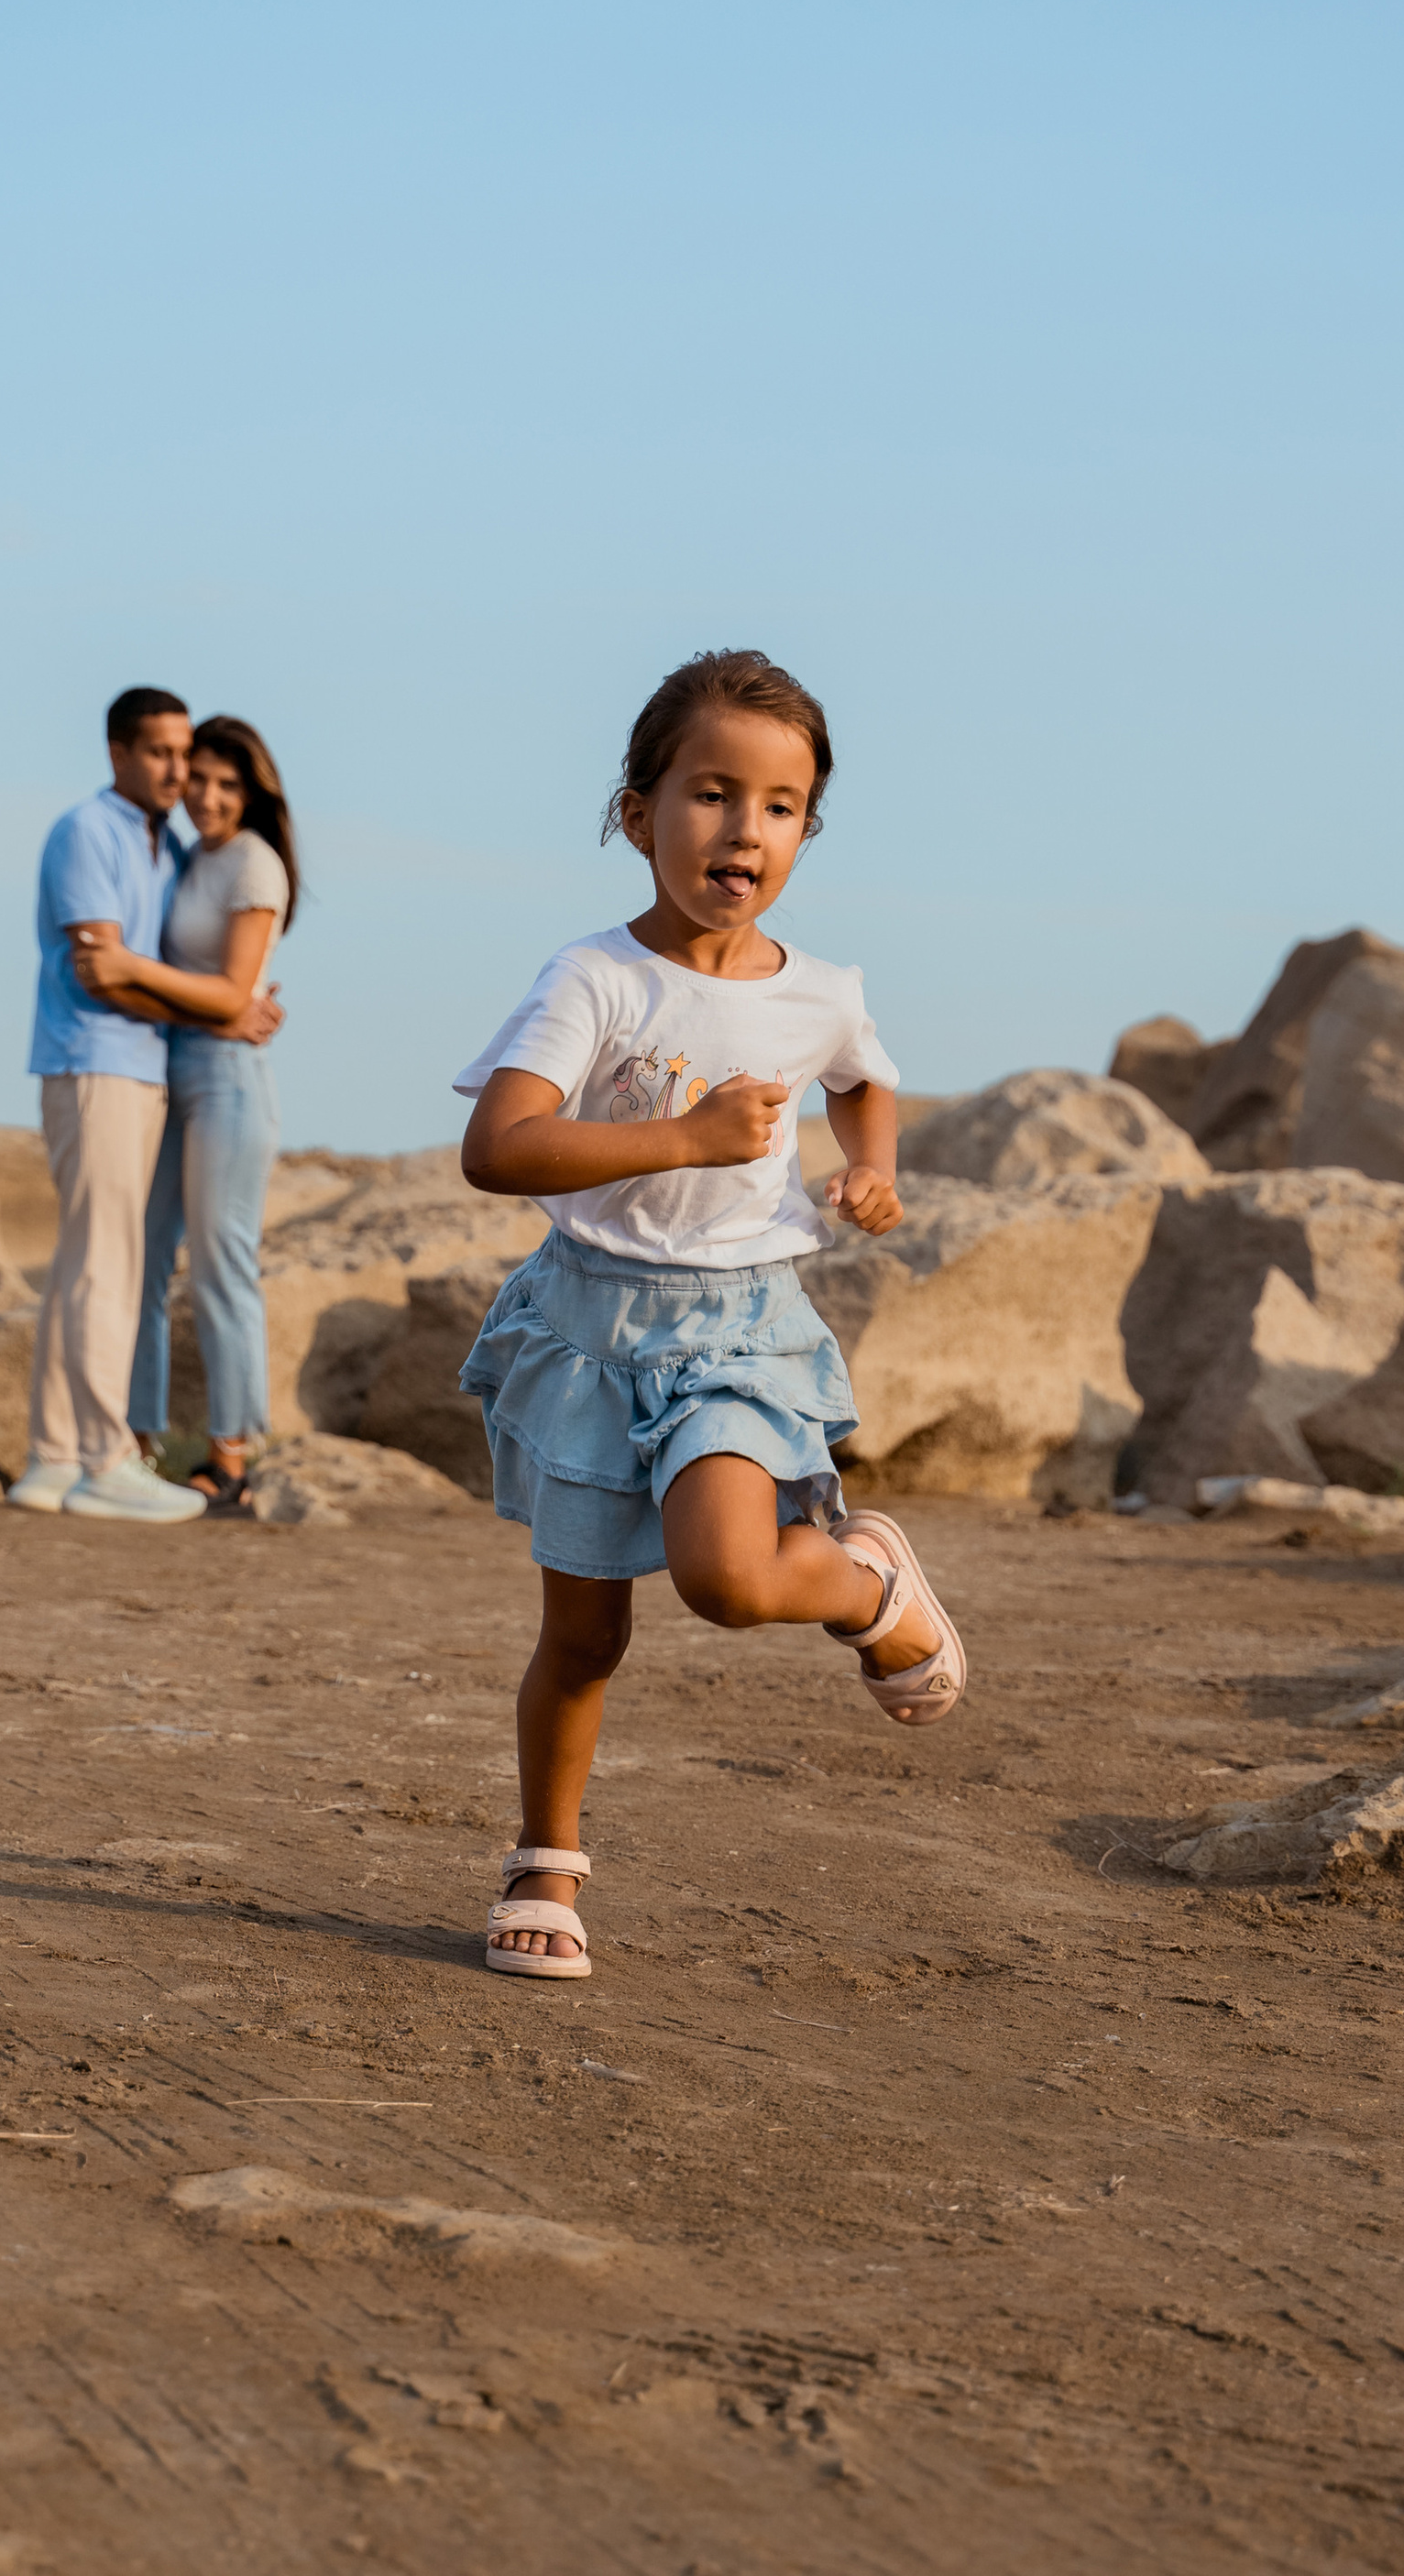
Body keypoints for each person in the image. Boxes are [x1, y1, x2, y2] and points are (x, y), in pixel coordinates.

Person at [452, 646, 965, 1983]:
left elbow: (862, 1077)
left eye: (781, 805)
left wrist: (873, 1167)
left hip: (738, 1330)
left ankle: (868, 1584)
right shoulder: (595, 982)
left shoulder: (820, 990)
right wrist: (680, 1135)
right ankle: (544, 1864)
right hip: (590, 1327)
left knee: (729, 1581)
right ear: (639, 814)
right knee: (583, 1633)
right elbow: (501, 1148)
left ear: (804, 829)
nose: (744, 828)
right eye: (710, 792)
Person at [10, 686, 279, 1524]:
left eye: (183, 754)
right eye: (161, 755)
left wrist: (216, 1003)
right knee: (109, 1265)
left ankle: (53, 1458)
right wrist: (223, 1008)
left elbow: (132, 969)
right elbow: (99, 970)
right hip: (97, 1063)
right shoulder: (89, 830)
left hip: (143, 1071)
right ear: (119, 754)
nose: (177, 772)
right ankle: (104, 1457)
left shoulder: (165, 847)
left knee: (92, 1261)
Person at [74, 716, 300, 1512]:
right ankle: (134, 1440)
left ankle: (231, 1457)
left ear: (253, 793)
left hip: (230, 1084)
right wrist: (214, 1008)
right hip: (166, 1072)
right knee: (142, 1256)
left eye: (227, 783)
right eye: (197, 776)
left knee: (219, 1264)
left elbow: (233, 990)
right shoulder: (181, 856)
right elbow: (215, 997)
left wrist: (141, 971)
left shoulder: (254, 864)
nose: (205, 793)